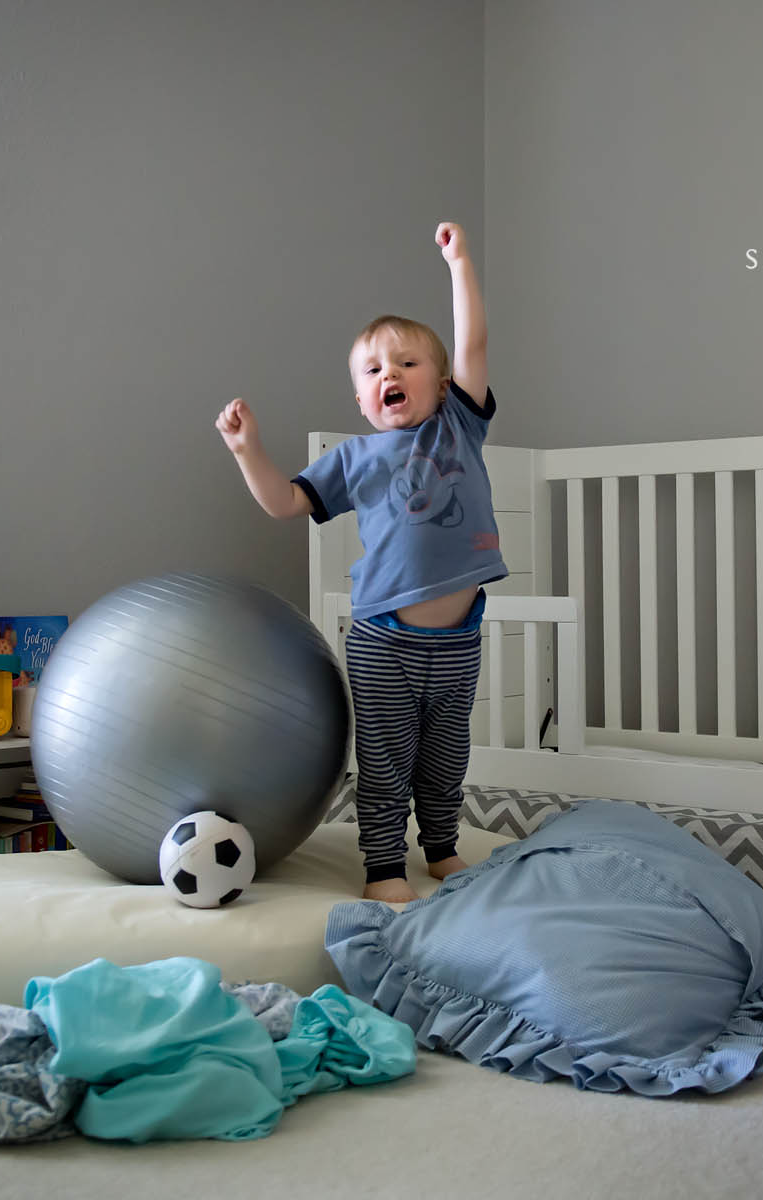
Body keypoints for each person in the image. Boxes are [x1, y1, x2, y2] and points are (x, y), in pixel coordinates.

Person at [216, 222, 504, 903]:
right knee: (385, 759)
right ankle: (383, 865)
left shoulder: (457, 424)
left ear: (440, 382)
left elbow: (474, 343)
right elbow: (285, 501)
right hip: (384, 639)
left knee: (445, 755)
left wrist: (459, 262)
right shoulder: (353, 457)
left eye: (407, 363)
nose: (390, 375)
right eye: (374, 370)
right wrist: (246, 450)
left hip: (459, 639)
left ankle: (440, 847)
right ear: (360, 399)